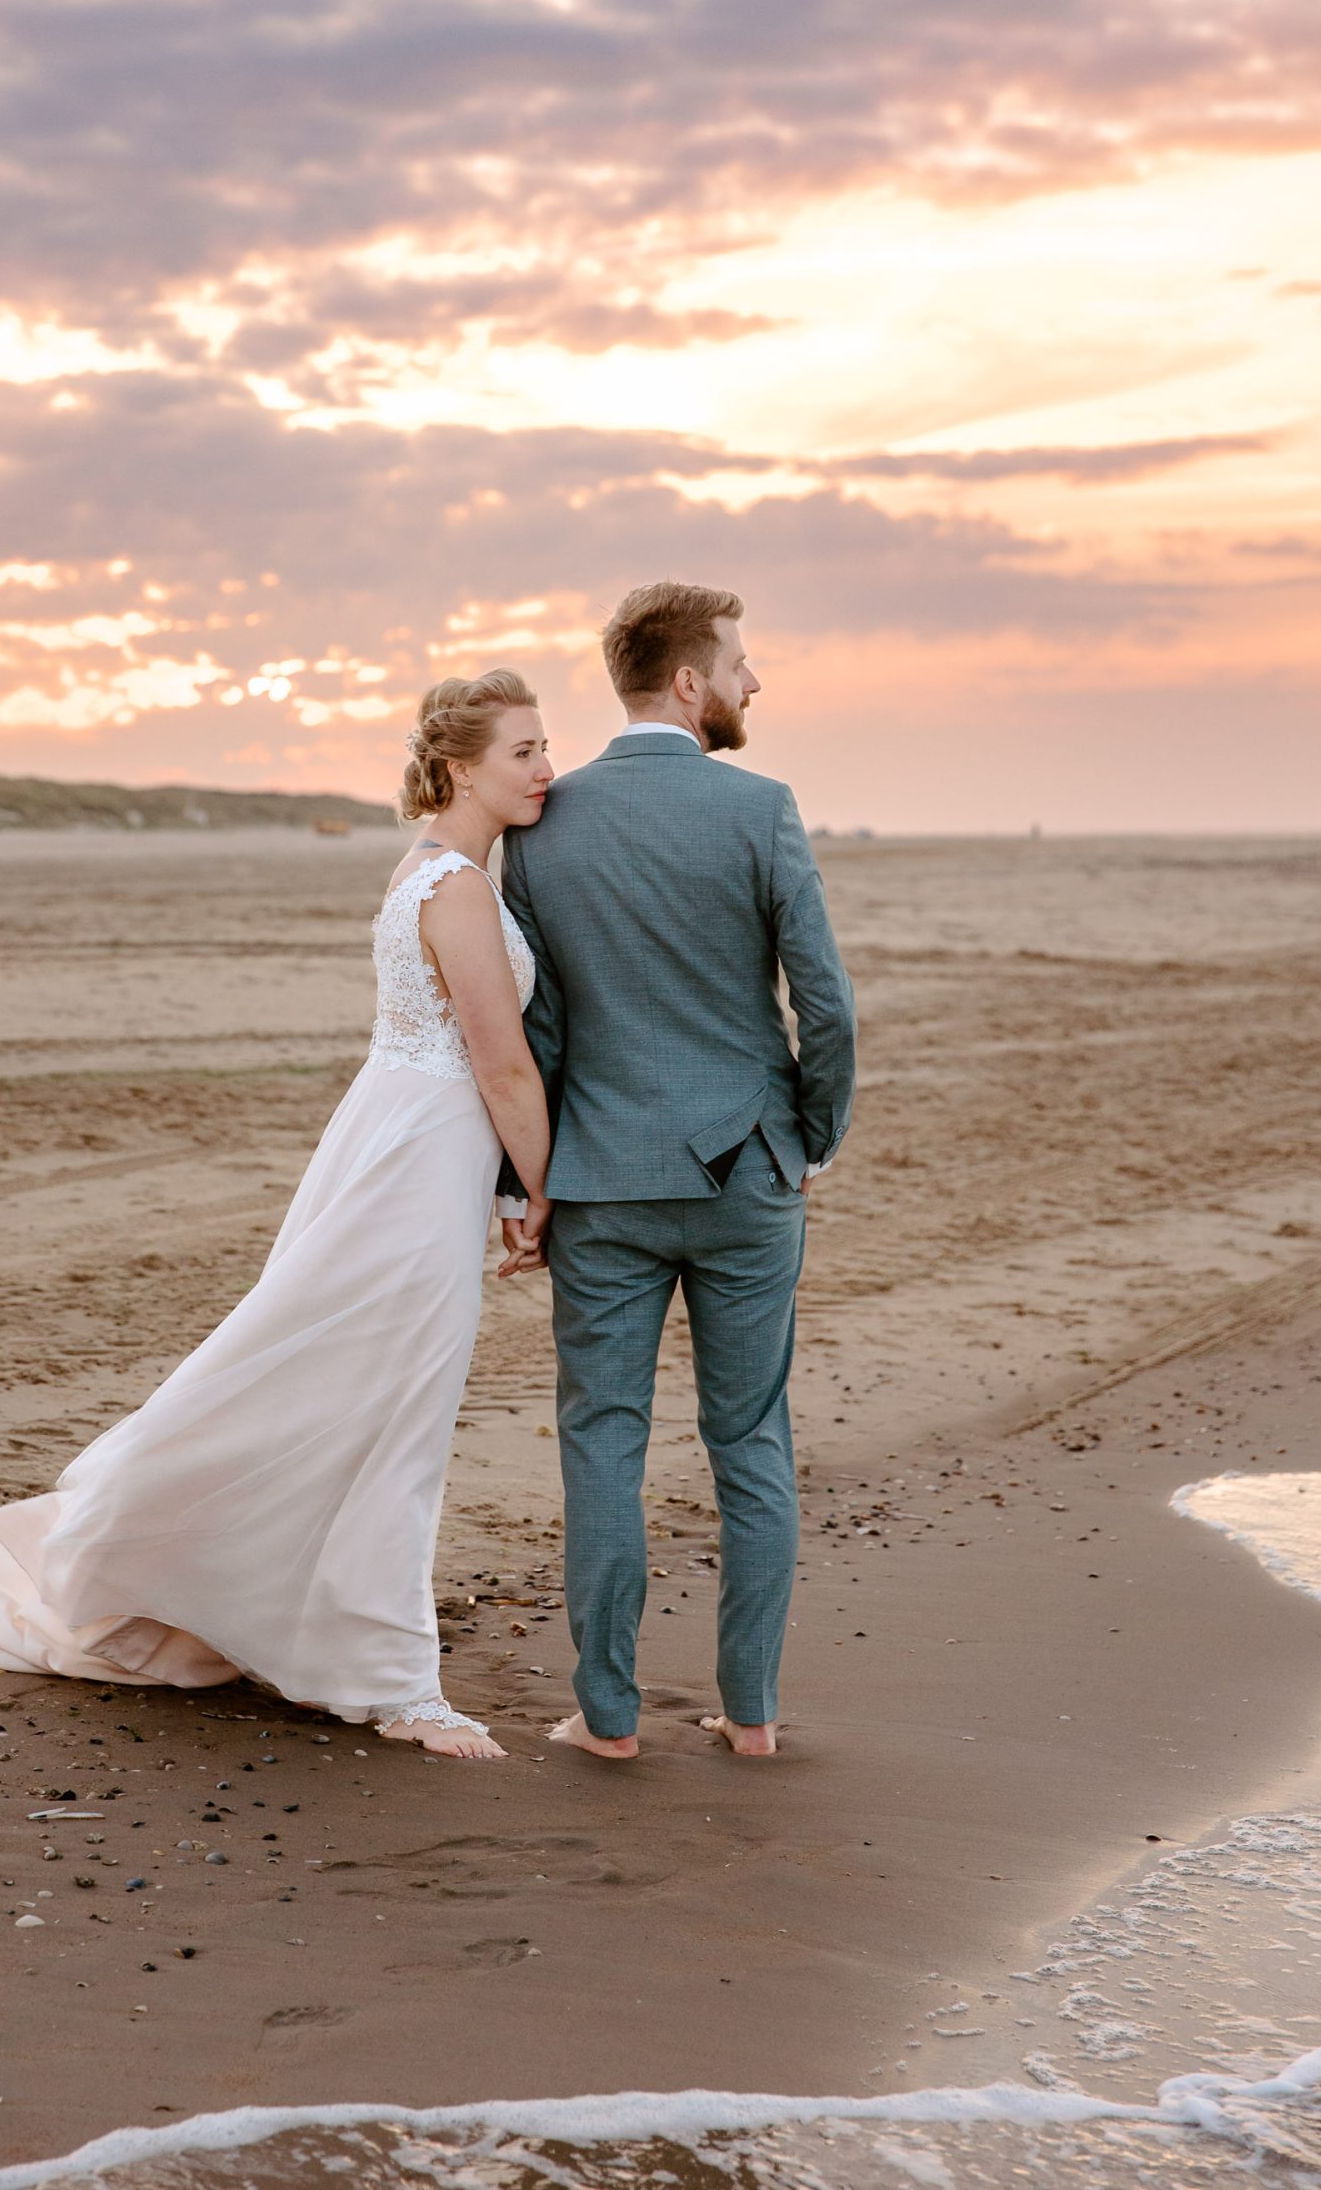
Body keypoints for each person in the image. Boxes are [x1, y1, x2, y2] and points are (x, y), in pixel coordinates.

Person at [0, 669, 555, 1761]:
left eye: (547, 746)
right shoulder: (456, 888)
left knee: (340, 1380)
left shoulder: (427, 870)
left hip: (399, 1138)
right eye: (524, 752)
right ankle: (390, 1679)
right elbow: (502, 1065)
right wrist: (541, 1190)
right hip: (418, 1158)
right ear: (462, 767)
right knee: (393, 1403)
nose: (548, 769)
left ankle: (292, 1618)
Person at [497, 582, 855, 1761]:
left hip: (601, 1181)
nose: (756, 683)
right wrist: (810, 1136)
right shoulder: (760, 809)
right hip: (748, 1173)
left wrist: (526, 1183)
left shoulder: (546, 822)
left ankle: (606, 1720)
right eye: (742, 663)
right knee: (749, 1436)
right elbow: (828, 1008)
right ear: (689, 681)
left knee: (602, 1437)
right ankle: (750, 1714)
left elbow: (537, 1032)